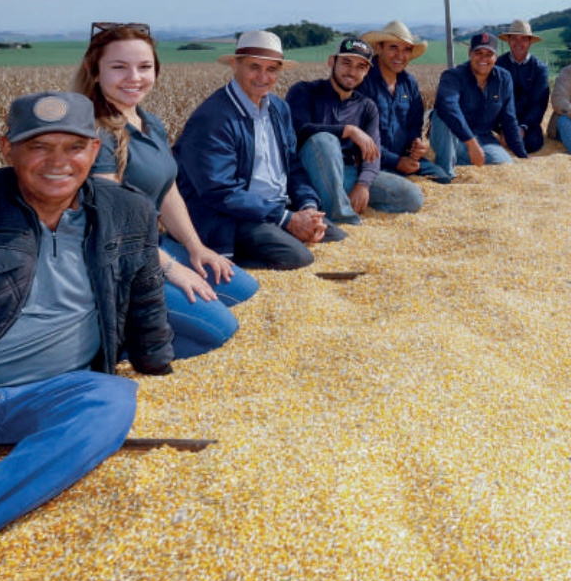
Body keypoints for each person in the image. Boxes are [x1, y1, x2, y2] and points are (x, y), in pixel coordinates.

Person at [0, 91, 173, 581]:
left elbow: (145, 290)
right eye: (38, 146)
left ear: (96, 150)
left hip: (56, 390)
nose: (57, 162)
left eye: (74, 146)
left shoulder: (128, 210)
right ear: (7, 148)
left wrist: (156, 361)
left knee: (112, 400)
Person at [73, 22, 258, 359]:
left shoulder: (149, 122)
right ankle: (108, 342)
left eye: (144, 67)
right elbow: (114, 221)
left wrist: (195, 247)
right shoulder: (95, 132)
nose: (134, 77)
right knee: (220, 331)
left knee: (245, 290)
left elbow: (168, 189)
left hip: (154, 244)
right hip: (117, 258)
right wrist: (171, 269)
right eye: (119, 67)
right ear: (94, 70)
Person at [174, 30, 343, 272]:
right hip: (229, 217)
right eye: (255, 67)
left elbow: (292, 165)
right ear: (235, 65)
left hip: (274, 208)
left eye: (272, 69)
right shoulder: (213, 118)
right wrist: (287, 219)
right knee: (298, 257)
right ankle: (222, 262)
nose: (263, 77)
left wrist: (307, 207)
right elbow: (219, 191)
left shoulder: (279, 108)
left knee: (334, 235)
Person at [287, 37, 424, 222]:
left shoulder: (367, 107)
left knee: (412, 197)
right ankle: (341, 216)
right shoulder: (304, 91)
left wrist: (363, 185)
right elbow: (300, 129)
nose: (352, 71)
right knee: (325, 140)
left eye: (360, 66)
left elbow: (372, 152)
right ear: (331, 61)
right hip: (311, 171)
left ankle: (336, 201)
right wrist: (348, 130)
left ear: (367, 71)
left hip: (347, 172)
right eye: (346, 63)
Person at [357, 20, 452, 184]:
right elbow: (360, 136)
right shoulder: (363, 81)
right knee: (404, 189)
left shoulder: (410, 83)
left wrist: (415, 146)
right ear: (379, 48)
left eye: (406, 49)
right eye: (393, 47)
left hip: (404, 160)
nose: (400, 55)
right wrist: (396, 162)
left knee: (442, 178)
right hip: (372, 162)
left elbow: (414, 124)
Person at [430, 31, 529, 173]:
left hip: (484, 139)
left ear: (496, 57)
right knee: (442, 114)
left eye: (489, 54)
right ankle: (445, 172)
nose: (483, 58)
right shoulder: (452, 76)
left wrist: (522, 155)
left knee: (504, 163)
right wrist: (471, 143)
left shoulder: (504, 78)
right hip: (452, 138)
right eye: (478, 53)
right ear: (470, 53)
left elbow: (509, 119)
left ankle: (459, 161)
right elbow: (448, 106)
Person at [495, 19, 550, 155]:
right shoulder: (498, 65)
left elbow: (539, 104)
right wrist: (503, 129)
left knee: (532, 144)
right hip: (501, 120)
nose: (518, 43)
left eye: (523, 39)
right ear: (508, 40)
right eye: (514, 38)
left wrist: (523, 128)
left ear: (530, 42)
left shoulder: (540, 69)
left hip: (528, 122)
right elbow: (494, 99)